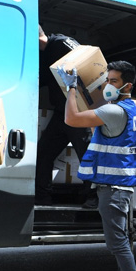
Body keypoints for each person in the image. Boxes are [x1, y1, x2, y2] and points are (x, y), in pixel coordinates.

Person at [62, 60, 136, 271]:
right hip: (119, 187)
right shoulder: (130, 109)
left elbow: (71, 118)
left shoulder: (115, 111)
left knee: (118, 243)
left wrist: (72, 88)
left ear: (127, 85)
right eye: (107, 79)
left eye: (114, 81)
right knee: (121, 241)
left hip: (113, 189)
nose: (108, 85)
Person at [35, 26, 95, 207]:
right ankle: (42, 197)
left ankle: (93, 196)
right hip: (62, 113)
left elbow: (86, 63)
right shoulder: (42, 54)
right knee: (44, 154)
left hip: (79, 112)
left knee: (86, 156)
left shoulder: (60, 43)